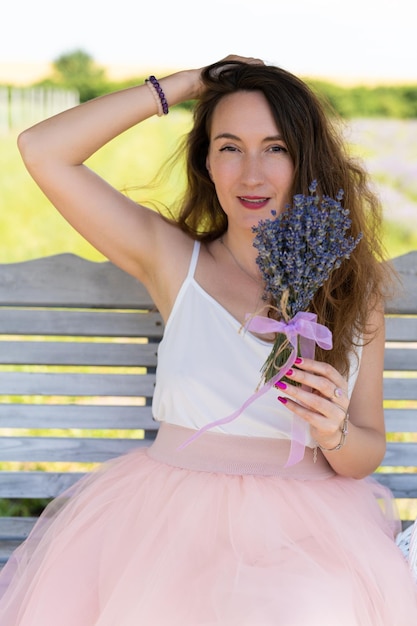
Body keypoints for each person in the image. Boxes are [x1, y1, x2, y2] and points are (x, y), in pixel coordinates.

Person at [0, 55, 416, 625]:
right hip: (173, 519)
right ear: (206, 161)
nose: (251, 174)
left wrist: (332, 430)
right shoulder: (174, 260)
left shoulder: (350, 290)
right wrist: (189, 84)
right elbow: (43, 150)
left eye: (276, 148)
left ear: (306, 161)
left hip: (307, 531)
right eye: (229, 146)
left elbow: (365, 451)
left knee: (309, 606)